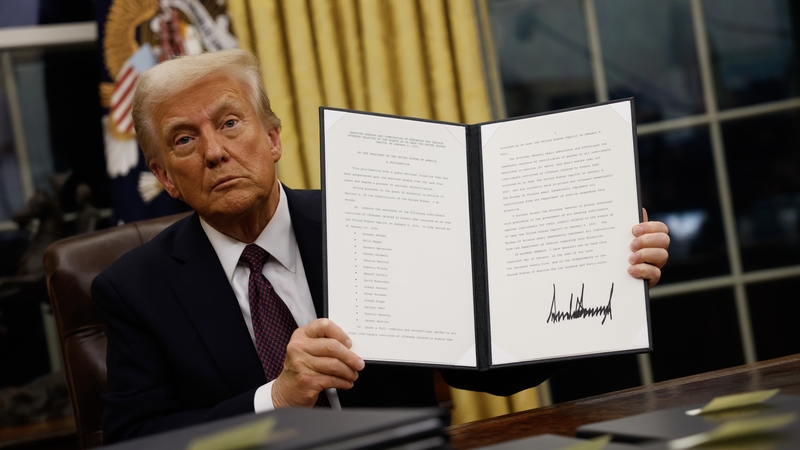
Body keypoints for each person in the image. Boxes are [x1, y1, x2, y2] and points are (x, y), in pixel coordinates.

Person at [92, 49, 670, 444]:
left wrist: (605, 278)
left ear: (272, 139)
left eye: (230, 123)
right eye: (185, 139)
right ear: (165, 176)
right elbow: (135, 438)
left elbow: (488, 369)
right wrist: (278, 397)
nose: (214, 152)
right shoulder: (134, 289)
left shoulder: (375, 217)